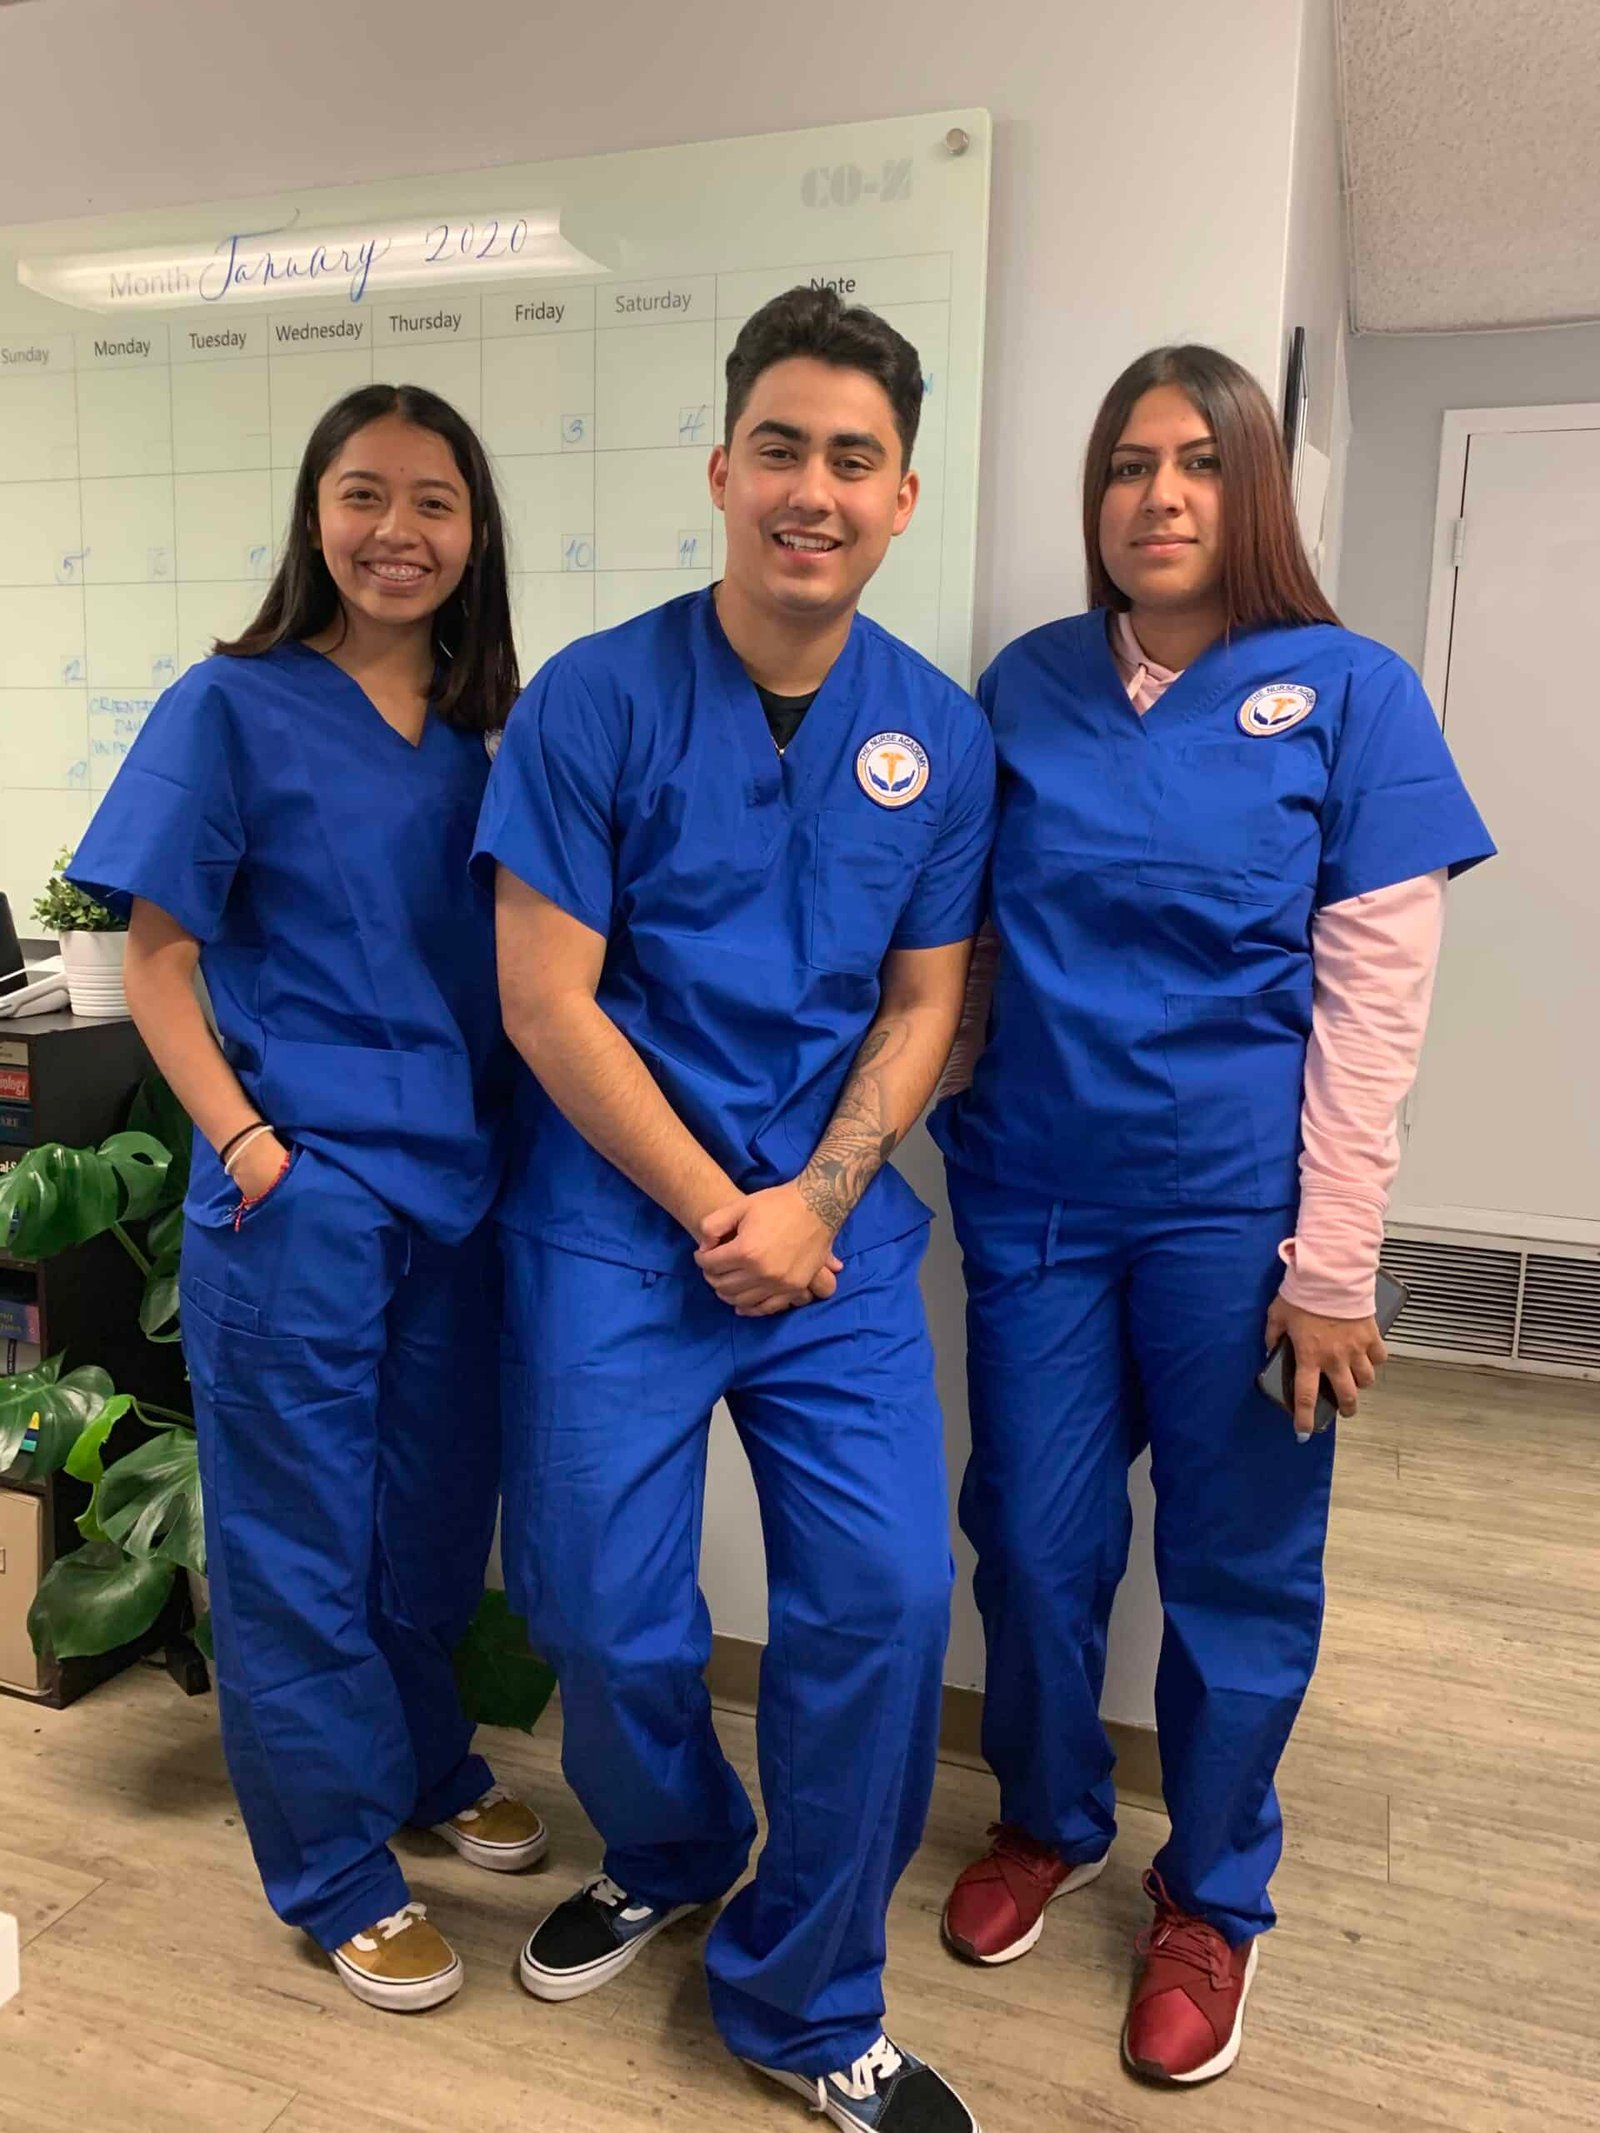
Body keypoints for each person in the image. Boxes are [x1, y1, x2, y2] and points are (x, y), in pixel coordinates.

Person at [931, 345, 1493, 2086]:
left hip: (1243, 1224)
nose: (1157, 496)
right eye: (1125, 464)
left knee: (1238, 1568)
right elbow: (949, 944)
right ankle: (1047, 1813)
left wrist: (1332, 1266)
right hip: (1033, 1187)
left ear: (1254, 488)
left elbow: (1375, 1001)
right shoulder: (1019, 687)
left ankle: (1214, 1890)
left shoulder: (1350, 690)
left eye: (1195, 462)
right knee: (1030, 1537)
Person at [474, 287, 996, 2131]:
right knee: (603, 1614)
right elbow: (549, 1000)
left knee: (882, 1593)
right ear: (720, 466)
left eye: (854, 457)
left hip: (833, 1242)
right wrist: (726, 1209)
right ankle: (679, 1844)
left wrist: (819, 1197)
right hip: (623, 1227)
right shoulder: (595, 702)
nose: (813, 487)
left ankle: (800, 1993)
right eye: (780, 445)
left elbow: (928, 999)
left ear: (902, 497)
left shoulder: (935, 736)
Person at [67, 383, 548, 2014]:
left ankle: (422, 1763)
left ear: (477, 533)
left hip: (460, 1196)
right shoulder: (233, 706)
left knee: (428, 1523)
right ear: (314, 515)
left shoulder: (496, 733)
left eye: (433, 501)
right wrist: (255, 1150)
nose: (396, 531)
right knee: (295, 1542)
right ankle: (336, 1868)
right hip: (301, 1196)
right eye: (363, 495)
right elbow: (158, 962)